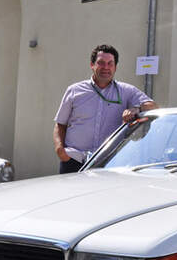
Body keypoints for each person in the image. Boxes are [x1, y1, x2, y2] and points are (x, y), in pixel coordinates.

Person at [54, 44, 158, 174]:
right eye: (101, 63)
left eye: (110, 64)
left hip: (107, 161)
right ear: (92, 65)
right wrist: (60, 150)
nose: (106, 67)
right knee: (70, 194)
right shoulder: (74, 90)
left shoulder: (126, 91)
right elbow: (60, 124)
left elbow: (153, 106)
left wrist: (136, 109)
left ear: (115, 67)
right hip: (73, 159)